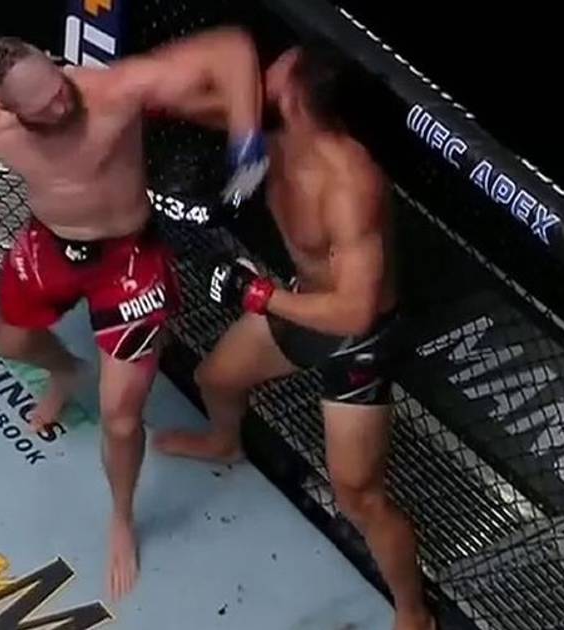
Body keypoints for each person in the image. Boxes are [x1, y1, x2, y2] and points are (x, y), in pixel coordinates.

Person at [0, 27, 266, 601]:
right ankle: (66, 371)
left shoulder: (113, 90)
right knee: (11, 343)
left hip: (129, 259)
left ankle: (122, 518)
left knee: (120, 418)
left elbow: (231, 49)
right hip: (52, 243)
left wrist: (247, 141)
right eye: (44, 107)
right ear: (8, 109)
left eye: (60, 88)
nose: (64, 105)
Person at [151, 41, 438, 630]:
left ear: (298, 102)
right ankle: (225, 443)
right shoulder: (268, 132)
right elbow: (185, 98)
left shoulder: (350, 183)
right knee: (216, 379)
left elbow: (354, 311)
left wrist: (257, 295)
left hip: (357, 339)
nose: (258, 83)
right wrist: (111, 89)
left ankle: (415, 614)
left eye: (273, 80)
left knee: (358, 497)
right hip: (301, 301)